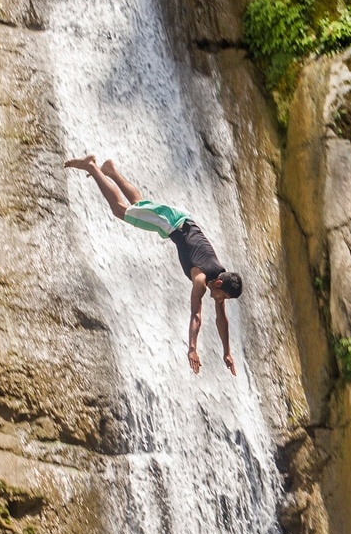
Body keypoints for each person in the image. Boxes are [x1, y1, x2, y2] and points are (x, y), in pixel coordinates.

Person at [64, 156, 243, 376]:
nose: (220, 300)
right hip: (173, 224)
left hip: (182, 220)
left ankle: (110, 170)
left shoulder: (220, 278)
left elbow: (221, 319)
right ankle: (92, 166)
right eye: (221, 295)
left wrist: (227, 352)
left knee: (140, 206)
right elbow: (196, 315)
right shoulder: (201, 281)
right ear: (217, 283)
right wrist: (192, 349)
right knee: (120, 210)